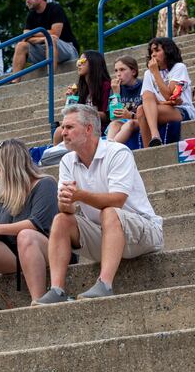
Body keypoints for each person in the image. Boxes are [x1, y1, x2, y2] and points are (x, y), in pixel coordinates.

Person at [35, 105, 163, 304]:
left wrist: (79, 195)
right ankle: (57, 290)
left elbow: (117, 200)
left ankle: (105, 284)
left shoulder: (118, 152)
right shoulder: (67, 161)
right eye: (62, 127)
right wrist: (66, 202)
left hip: (144, 232)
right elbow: (66, 209)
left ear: (88, 129)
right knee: (61, 220)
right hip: (105, 234)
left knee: (109, 211)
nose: (62, 133)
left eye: (69, 127)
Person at [0, 139, 58, 303]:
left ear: (10, 164)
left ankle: (39, 301)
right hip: (12, 255)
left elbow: (36, 225)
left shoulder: (45, 184)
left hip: (47, 250)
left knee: (26, 235)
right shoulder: (0, 193)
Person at [11, 0, 79, 82]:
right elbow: (25, 37)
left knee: (51, 39)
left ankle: (50, 77)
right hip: (45, 49)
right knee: (21, 45)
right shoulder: (31, 15)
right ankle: (14, 82)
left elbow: (55, 33)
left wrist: (34, 34)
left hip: (68, 49)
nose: (27, 0)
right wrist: (43, 38)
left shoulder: (55, 9)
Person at [138, 37, 195, 147]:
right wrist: (165, 103)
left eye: (157, 50)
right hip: (159, 109)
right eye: (151, 52)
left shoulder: (179, 67)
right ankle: (151, 144)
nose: (153, 55)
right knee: (140, 110)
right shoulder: (148, 73)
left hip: (182, 110)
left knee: (143, 110)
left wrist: (155, 73)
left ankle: (154, 137)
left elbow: (169, 96)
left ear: (168, 51)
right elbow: (147, 98)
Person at [53, 51, 111, 144]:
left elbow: (107, 116)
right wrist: (71, 99)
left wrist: (84, 112)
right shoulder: (80, 89)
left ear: (94, 63)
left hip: (99, 126)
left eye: (83, 61)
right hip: (81, 124)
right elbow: (71, 114)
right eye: (78, 61)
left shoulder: (106, 86)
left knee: (66, 131)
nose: (79, 64)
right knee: (59, 131)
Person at [106, 56, 143, 144]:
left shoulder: (143, 85)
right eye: (116, 70)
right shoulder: (116, 88)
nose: (118, 74)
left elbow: (149, 114)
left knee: (129, 124)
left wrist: (131, 115)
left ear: (133, 72)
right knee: (113, 124)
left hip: (139, 121)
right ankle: (109, 148)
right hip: (122, 122)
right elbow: (114, 118)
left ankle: (110, 150)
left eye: (122, 69)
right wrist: (116, 93)